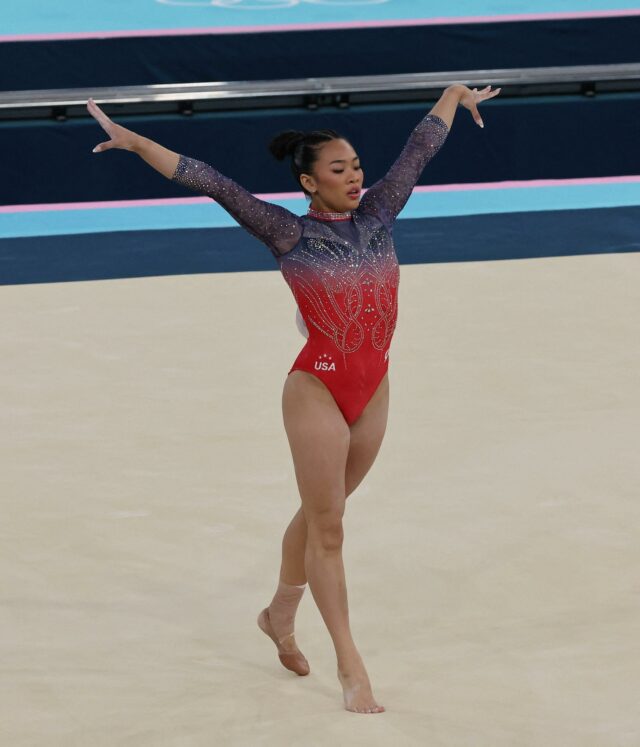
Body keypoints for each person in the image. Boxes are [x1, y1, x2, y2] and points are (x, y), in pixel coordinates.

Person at [87, 83, 500, 714]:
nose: (356, 177)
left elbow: (421, 148)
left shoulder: (381, 212)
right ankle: (351, 665)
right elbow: (211, 181)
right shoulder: (287, 233)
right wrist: (137, 141)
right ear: (308, 182)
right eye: (339, 170)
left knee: (317, 515)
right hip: (317, 387)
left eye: (357, 166)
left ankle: (278, 613)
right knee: (330, 528)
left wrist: (451, 94)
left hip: (373, 385)